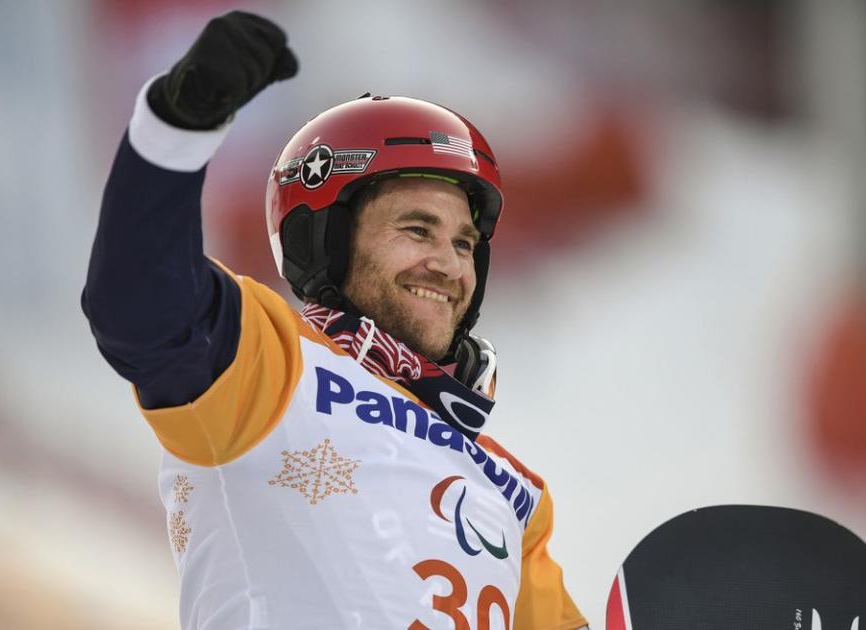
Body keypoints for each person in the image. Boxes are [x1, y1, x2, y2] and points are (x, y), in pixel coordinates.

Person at [82, 10, 587, 630]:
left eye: (464, 244)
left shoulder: (517, 493)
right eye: (416, 228)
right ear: (329, 242)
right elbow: (138, 302)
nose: (449, 265)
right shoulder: (273, 365)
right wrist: (176, 127)